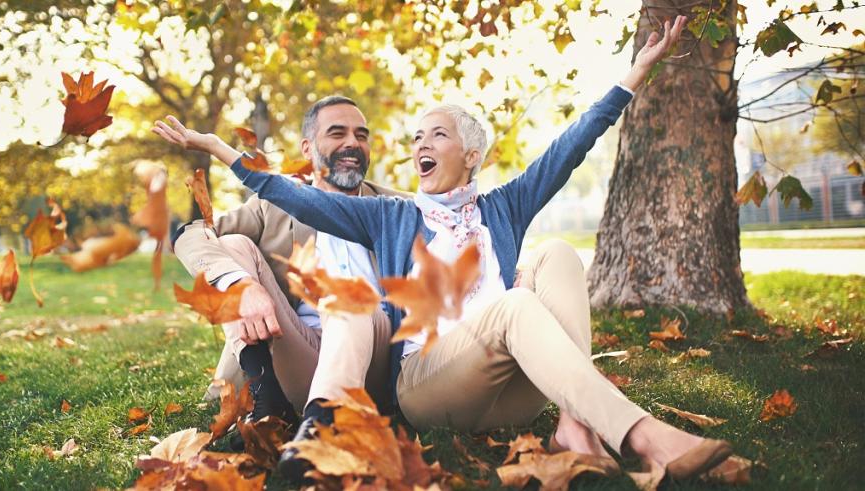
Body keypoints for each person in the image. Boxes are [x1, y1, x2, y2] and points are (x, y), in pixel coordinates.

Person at [156, 15, 735, 482]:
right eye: (415, 138)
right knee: (506, 305)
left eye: (436, 135)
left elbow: (573, 145)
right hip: (425, 379)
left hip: (505, 378)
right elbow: (292, 196)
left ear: (471, 154)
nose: (419, 146)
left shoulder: (505, 206)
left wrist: (633, 75)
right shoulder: (391, 214)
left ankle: (575, 426)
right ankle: (643, 436)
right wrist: (222, 152)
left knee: (556, 252)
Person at [170, 95, 407, 447]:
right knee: (232, 247)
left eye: (361, 135)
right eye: (337, 133)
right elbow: (191, 234)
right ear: (308, 148)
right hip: (297, 353)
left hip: (371, 361)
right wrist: (244, 286)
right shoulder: (274, 205)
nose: (352, 144)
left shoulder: (397, 208)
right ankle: (268, 403)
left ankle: (318, 418)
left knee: (349, 302)